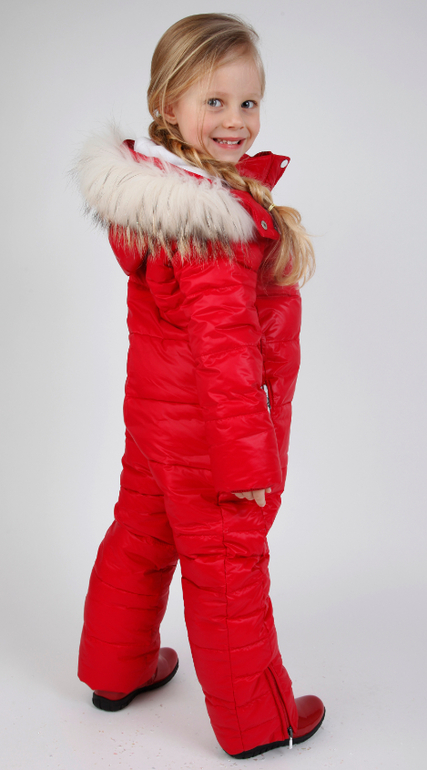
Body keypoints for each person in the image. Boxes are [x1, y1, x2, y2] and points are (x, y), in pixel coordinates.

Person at [76, 12, 325, 760]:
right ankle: (259, 725)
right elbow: (225, 352)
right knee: (226, 570)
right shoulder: (212, 225)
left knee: (141, 535)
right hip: (213, 440)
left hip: (158, 425)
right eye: (213, 102)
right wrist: (246, 465)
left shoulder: (159, 196)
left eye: (248, 102)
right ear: (166, 103)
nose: (235, 121)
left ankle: (114, 672)